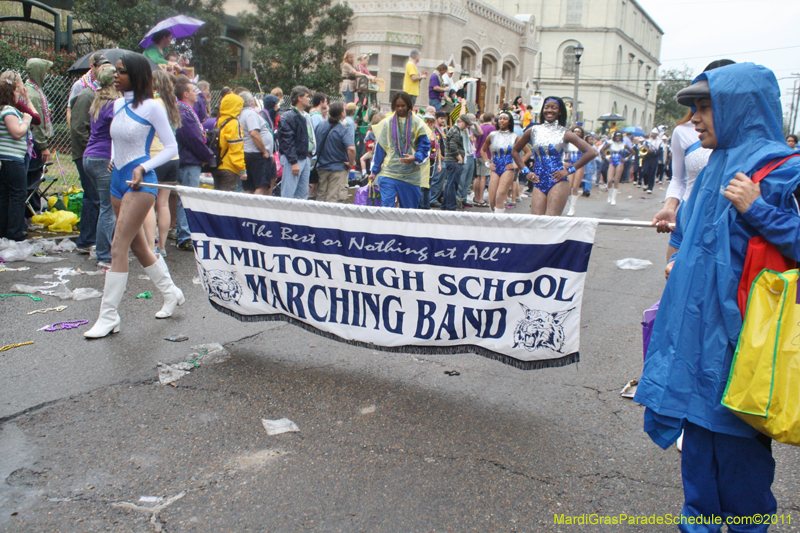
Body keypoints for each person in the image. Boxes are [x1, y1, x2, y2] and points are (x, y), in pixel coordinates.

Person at [635, 62, 800, 531]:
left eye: (705, 107)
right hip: (693, 345)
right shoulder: (713, 166)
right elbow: (691, 234)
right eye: (693, 109)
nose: (695, 120)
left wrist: (759, 210)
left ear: (740, 107)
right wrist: (681, 260)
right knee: (699, 468)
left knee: (740, 466)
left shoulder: (786, 170)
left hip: (742, 349)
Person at [84, 53, 182, 338]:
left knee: (118, 246)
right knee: (138, 247)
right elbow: (117, 138)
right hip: (117, 180)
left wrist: (143, 166)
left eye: (121, 72)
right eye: (115, 71)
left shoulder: (152, 106)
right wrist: (114, 157)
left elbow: (171, 147)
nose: (115, 75)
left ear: (136, 76)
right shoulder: (115, 104)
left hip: (141, 184)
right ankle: (171, 292)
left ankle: (109, 316)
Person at [511, 96, 595, 216]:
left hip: (558, 181)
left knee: (551, 222)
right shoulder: (533, 130)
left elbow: (591, 152)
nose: (549, 110)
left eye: (553, 107)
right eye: (546, 107)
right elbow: (515, 151)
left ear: (560, 111)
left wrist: (569, 170)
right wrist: (526, 171)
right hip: (538, 181)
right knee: (536, 221)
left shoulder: (565, 133)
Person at [83, 64, 118, 270]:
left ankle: (104, 249)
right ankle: (104, 255)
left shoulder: (97, 100)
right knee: (108, 209)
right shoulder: (113, 105)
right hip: (104, 158)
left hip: (90, 156)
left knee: (102, 206)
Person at [368, 91, 430, 208]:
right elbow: (380, 148)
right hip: (389, 173)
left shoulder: (417, 123)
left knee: (409, 212)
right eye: (397, 106)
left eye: (403, 105)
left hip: (411, 175)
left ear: (408, 106)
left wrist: (415, 157)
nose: (400, 108)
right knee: (387, 208)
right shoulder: (387, 122)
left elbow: (425, 146)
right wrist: (374, 171)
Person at [174, 79, 214, 252]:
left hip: (191, 159)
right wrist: (207, 155)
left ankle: (185, 232)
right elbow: (192, 138)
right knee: (186, 198)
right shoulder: (183, 113)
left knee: (186, 197)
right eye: (193, 90)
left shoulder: (187, 111)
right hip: (189, 160)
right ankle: (185, 236)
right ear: (185, 94)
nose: (197, 93)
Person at [68, 69, 101, 254]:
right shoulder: (87, 95)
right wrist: (92, 150)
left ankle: (93, 238)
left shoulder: (101, 97)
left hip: (93, 154)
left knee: (97, 198)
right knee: (92, 197)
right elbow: (79, 128)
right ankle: (86, 240)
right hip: (86, 155)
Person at [0, 72, 33, 242]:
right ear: (9, 93)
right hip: (12, 160)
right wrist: (26, 120)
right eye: (16, 92)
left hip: (6, 160)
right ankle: (15, 231)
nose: (18, 94)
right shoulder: (8, 111)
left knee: (6, 195)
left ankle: (5, 230)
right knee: (17, 194)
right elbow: (17, 132)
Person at [25, 58, 53, 206]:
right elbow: (38, 124)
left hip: (31, 142)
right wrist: (44, 146)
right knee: (33, 177)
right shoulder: (34, 95)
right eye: (44, 72)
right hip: (34, 144)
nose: (45, 75)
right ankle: (32, 210)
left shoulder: (33, 90)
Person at [314, 102, 355, 203]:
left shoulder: (320, 125)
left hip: (322, 167)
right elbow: (351, 149)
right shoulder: (342, 130)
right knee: (333, 200)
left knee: (321, 198)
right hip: (338, 169)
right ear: (342, 113)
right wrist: (350, 163)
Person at [278, 86, 313, 200]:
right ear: (299, 98)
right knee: (289, 194)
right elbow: (287, 140)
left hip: (305, 158)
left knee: (302, 195)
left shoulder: (305, 115)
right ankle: (285, 217)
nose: (309, 99)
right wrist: (293, 162)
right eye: (307, 96)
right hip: (294, 160)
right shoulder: (288, 116)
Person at [239, 91, 276, 196]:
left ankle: (245, 209)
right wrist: (265, 151)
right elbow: (254, 133)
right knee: (262, 186)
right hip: (257, 154)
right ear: (251, 101)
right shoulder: (250, 113)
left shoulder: (241, 113)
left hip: (249, 153)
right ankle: (253, 210)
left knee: (249, 187)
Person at [482, 111, 519, 215]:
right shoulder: (492, 135)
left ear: (510, 122)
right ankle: (496, 215)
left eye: (505, 118)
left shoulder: (514, 136)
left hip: (508, 168)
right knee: (492, 199)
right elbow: (483, 150)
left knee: (500, 195)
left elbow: (528, 152)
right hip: (495, 167)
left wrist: (517, 165)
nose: (502, 120)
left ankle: (499, 220)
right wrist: (487, 163)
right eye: (500, 118)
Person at [213, 92, 245, 191]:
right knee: (226, 202)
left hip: (217, 165)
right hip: (229, 167)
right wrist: (242, 169)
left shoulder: (219, 121)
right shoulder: (234, 123)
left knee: (217, 200)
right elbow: (235, 148)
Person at [66, 52, 110, 124]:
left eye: (105, 65)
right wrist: (72, 131)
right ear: (92, 66)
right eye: (100, 65)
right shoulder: (80, 85)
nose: (103, 68)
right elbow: (70, 110)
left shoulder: (108, 84)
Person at [564, 126, 595, 216]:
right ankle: (570, 205)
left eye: (579, 132)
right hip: (569, 164)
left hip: (579, 165)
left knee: (575, 186)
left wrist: (584, 160)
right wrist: (564, 160)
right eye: (575, 131)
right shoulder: (567, 143)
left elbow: (593, 152)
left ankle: (572, 207)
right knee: (568, 186)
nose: (577, 133)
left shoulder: (582, 143)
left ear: (581, 134)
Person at [441, 114, 468, 211]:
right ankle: (450, 206)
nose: (466, 127)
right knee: (453, 184)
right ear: (460, 121)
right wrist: (459, 157)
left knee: (450, 184)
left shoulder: (454, 130)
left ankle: (445, 205)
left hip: (450, 160)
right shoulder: (455, 131)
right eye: (466, 124)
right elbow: (453, 146)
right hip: (453, 161)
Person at [601, 131, 633, 205]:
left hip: (619, 161)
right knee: (609, 180)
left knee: (616, 180)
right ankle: (609, 195)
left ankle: (614, 198)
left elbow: (632, 152)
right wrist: (606, 157)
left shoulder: (623, 144)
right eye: (617, 136)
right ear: (614, 137)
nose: (618, 137)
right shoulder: (610, 143)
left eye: (619, 136)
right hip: (612, 161)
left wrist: (626, 159)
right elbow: (602, 150)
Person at [473, 112, 495, 208]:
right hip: (486, 155)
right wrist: (492, 156)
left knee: (477, 177)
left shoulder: (480, 126)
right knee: (484, 177)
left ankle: (476, 197)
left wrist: (477, 150)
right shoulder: (492, 128)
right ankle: (481, 199)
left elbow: (476, 141)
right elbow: (490, 143)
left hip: (478, 154)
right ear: (492, 118)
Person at [420, 111, 441, 209]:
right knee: (423, 184)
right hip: (424, 161)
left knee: (429, 184)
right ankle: (421, 205)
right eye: (427, 122)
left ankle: (426, 205)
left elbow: (438, 148)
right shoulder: (423, 132)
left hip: (433, 161)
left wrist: (439, 163)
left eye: (431, 122)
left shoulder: (436, 133)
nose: (429, 124)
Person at [427, 111, 448, 207]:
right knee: (434, 179)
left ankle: (432, 198)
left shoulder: (440, 131)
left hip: (437, 159)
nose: (443, 120)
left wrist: (439, 159)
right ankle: (431, 199)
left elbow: (438, 145)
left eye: (444, 118)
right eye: (441, 118)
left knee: (436, 179)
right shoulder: (433, 130)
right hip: (429, 160)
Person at [640, 128, 662, 194]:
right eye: (652, 133)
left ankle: (650, 187)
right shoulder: (647, 141)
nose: (653, 135)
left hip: (654, 158)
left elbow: (660, 151)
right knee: (645, 172)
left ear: (657, 134)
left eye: (654, 133)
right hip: (647, 158)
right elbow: (642, 149)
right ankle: (646, 183)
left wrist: (653, 152)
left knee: (652, 173)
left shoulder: (659, 142)